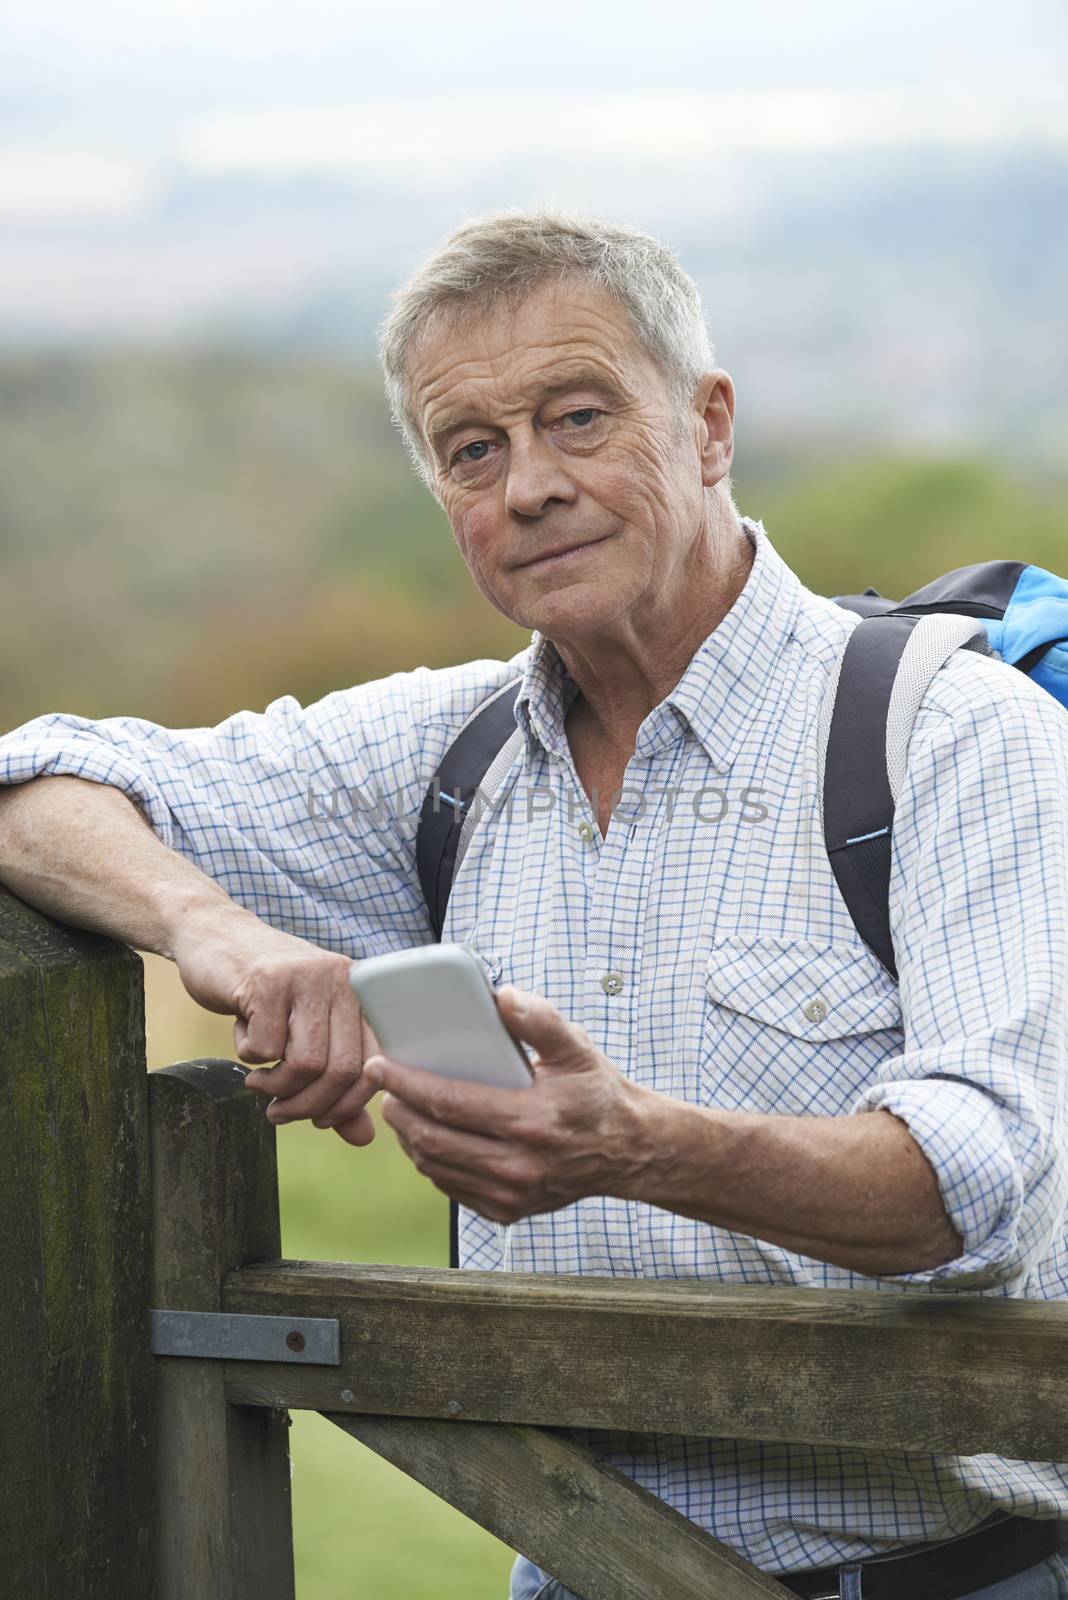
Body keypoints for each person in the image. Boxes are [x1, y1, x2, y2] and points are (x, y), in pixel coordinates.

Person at [0, 211, 1066, 1600]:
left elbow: (980, 1189)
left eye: (577, 418)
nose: (529, 488)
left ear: (708, 427)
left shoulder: (952, 736)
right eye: (472, 450)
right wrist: (221, 932)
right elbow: (36, 779)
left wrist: (633, 1145)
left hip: (962, 1578)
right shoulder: (446, 756)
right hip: (576, 1570)